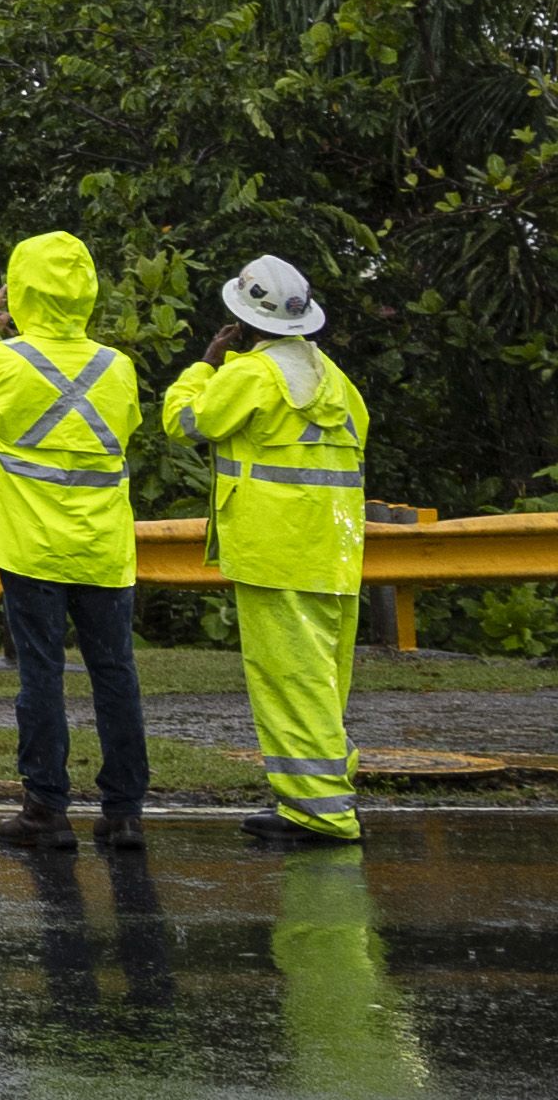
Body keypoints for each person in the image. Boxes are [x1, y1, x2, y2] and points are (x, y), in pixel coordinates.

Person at [0, 228, 148, 849]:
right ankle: (125, 811)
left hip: (30, 542)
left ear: (20, 291)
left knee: (41, 673)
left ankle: (46, 807)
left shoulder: (1, 361)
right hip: (103, 544)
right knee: (116, 673)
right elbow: (124, 431)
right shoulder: (118, 367)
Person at [169, 251, 374, 848]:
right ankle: (327, 790)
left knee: (289, 681)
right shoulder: (337, 381)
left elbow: (184, 422)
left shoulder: (250, 376)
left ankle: (319, 813)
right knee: (321, 681)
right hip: (333, 551)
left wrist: (205, 366)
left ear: (242, 320)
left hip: (272, 551)